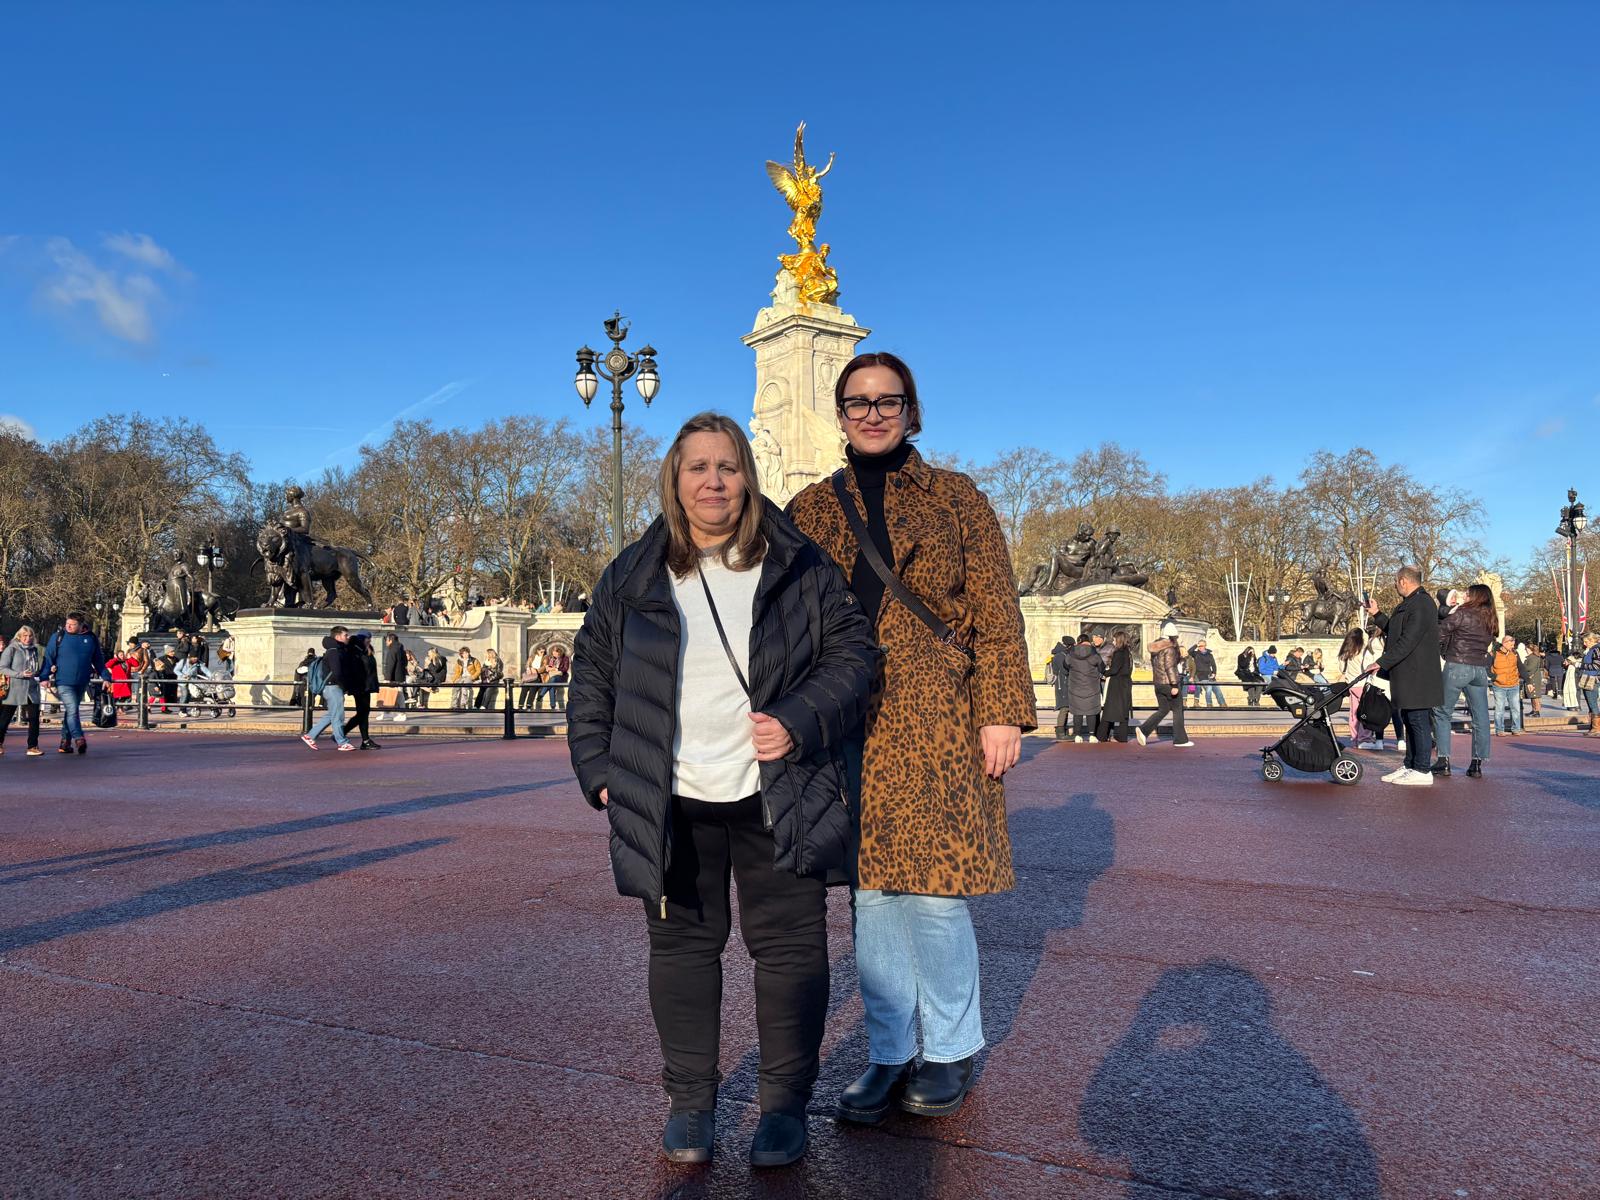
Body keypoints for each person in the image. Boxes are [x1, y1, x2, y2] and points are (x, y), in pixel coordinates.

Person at [567, 411, 875, 1168]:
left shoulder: (800, 563)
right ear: (675, 480)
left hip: (780, 787)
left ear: (748, 476)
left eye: (728, 466)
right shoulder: (632, 572)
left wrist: (797, 721)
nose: (714, 481)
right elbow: (592, 677)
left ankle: (783, 1106)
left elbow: (854, 657)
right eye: (698, 467)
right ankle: (690, 1103)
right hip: (668, 794)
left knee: (791, 951)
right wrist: (600, 773)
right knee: (681, 949)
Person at [787, 351, 1035, 1127]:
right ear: (840, 414)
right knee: (871, 894)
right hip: (847, 716)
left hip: (938, 712)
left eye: (887, 400)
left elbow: (996, 610)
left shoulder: (957, 497)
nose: (873, 413)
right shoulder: (808, 508)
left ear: (910, 410)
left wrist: (1002, 710)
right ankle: (890, 1051)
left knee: (932, 891)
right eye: (858, 402)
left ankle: (951, 1047)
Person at [1368, 566, 1443, 786]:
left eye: (1395, 581)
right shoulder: (1409, 603)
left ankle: (1422, 769)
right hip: (1407, 673)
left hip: (1418, 674)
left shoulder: (1422, 604)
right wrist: (1377, 614)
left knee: (1418, 720)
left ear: (1403, 581)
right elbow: (1395, 631)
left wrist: (1381, 662)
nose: (1394, 585)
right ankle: (1411, 764)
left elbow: (1408, 640)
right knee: (1410, 720)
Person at [1426, 583, 1495, 778]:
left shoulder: (1462, 614)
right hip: (1479, 669)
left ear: (1475, 596)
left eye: (1468, 593)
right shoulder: (1490, 618)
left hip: (1457, 665)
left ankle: (1443, 760)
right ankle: (1476, 764)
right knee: (1480, 717)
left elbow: (1438, 634)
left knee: (1442, 712)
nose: (1464, 595)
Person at [36, 612, 114, 754]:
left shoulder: (91, 638)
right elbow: (48, 658)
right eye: (67, 623)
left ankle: (65, 742)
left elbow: (98, 660)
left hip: (82, 681)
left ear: (81, 625)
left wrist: (106, 677)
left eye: (72, 624)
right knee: (72, 710)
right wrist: (44, 677)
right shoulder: (58, 637)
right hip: (63, 681)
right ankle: (79, 738)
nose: (68, 626)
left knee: (71, 711)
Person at [300, 626, 359, 751]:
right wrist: (345, 686)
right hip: (334, 687)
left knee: (332, 714)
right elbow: (337, 672)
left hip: (331, 687)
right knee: (338, 716)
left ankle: (310, 736)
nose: (348, 637)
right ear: (337, 637)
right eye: (345, 635)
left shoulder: (334, 650)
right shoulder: (334, 651)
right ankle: (342, 742)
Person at [1136, 632, 1194, 748]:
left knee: (1163, 709)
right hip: (1168, 683)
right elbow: (1170, 667)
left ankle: (1144, 730)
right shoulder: (1169, 648)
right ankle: (1180, 740)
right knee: (1178, 710)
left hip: (1158, 683)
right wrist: (1174, 685)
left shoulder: (1155, 649)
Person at [0, 624, 44, 755]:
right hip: (14, 689)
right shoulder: (11, 649)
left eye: (30, 636)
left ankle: (32, 746)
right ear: (19, 636)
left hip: (31, 689)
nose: (27, 638)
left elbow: (38, 666)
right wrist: (20, 674)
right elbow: (2, 668)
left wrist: (42, 672)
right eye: (25, 636)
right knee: (5, 718)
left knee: (34, 718)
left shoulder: (35, 650)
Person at [341, 632, 382, 749]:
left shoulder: (365, 650)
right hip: (360, 686)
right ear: (362, 639)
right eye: (367, 638)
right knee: (363, 713)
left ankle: (363, 739)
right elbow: (357, 670)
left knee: (364, 713)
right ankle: (362, 739)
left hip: (365, 686)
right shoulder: (355, 652)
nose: (369, 640)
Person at [1063, 631, 1105, 742]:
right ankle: (1092, 735)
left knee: (1077, 711)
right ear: (1088, 641)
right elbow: (1102, 668)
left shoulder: (1071, 653)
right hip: (1092, 687)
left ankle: (1077, 735)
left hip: (1075, 686)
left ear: (1079, 642)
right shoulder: (1094, 653)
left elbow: (1065, 665)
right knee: (1091, 711)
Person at [1095, 629, 1135, 743]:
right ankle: (1122, 736)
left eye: (1114, 639)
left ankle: (1101, 735)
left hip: (1116, 684)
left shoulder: (1119, 653)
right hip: (1126, 683)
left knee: (1109, 710)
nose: (1113, 641)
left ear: (1119, 640)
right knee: (1123, 711)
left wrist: (1104, 673)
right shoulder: (1128, 653)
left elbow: (1114, 669)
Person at [1489, 634, 1523, 737]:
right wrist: (1495, 677)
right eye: (1511, 645)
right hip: (1499, 685)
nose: (1513, 646)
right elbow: (1486, 667)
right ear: (1505, 643)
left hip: (1513, 684)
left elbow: (1521, 667)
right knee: (1500, 708)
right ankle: (1499, 729)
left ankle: (1516, 729)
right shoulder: (1494, 654)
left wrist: (1529, 681)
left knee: (1515, 708)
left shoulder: (1515, 653)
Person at [1048, 634, 1073, 739]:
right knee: (1064, 707)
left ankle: (1063, 731)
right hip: (1062, 685)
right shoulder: (1060, 656)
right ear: (1067, 645)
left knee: (1066, 707)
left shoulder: (1061, 654)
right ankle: (1060, 732)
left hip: (1063, 684)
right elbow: (1065, 670)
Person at [381, 632, 407, 722]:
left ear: (390, 640)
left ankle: (399, 714)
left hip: (393, 676)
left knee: (397, 694)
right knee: (398, 694)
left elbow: (390, 664)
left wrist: (387, 678)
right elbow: (405, 662)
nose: (386, 642)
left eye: (387, 640)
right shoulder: (401, 649)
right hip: (399, 676)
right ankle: (388, 712)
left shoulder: (392, 649)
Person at [1191, 640, 1224, 707]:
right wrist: (1196, 645)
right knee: (1208, 688)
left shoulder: (1209, 655)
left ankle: (1222, 703)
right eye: (1199, 646)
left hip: (1209, 675)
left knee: (1217, 689)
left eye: (1202, 646)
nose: (1200, 647)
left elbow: (1213, 665)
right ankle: (1209, 704)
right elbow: (1189, 651)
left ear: (1205, 646)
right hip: (1201, 675)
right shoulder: (1196, 654)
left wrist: (1214, 673)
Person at [1579, 632, 1600, 736]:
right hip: (1588, 678)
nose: (1584, 643)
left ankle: (1596, 728)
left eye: (1586, 641)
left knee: (1593, 704)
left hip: (1592, 679)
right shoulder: (1591, 650)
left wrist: (1580, 665)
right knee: (1591, 704)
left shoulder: (1596, 650)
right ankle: (1593, 727)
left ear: (1592, 640)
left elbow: (1596, 666)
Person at [1520, 643, 1544, 719]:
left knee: (1535, 695)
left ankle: (1536, 711)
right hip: (1532, 677)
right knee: (1532, 695)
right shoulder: (1531, 657)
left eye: (1526, 649)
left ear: (1530, 649)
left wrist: (1523, 666)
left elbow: (1529, 668)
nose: (1525, 650)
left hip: (1534, 678)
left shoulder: (1533, 657)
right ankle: (1534, 710)